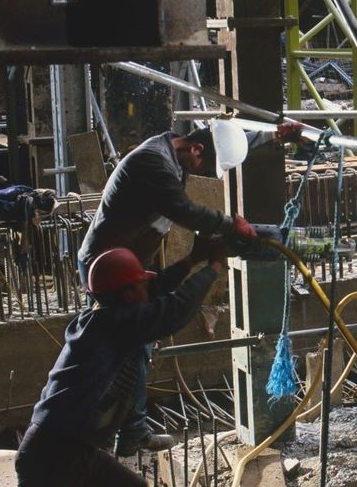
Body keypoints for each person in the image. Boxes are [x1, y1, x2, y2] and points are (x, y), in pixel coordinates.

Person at [76, 117, 304, 455]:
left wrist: (273, 135)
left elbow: (222, 139)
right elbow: (181, 210)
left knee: (138, 349)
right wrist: (230, 227)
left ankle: (129, 432)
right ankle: (110, 437)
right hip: (108, 267)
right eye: (201, 164)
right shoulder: (152, 161)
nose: (199, 170)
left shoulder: (174, 151)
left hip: (131, 259)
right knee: (130, 349)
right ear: (193, 148)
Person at [16, 238, 227, 486]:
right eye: (140, 284)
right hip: (57, 456)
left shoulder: (103, 316)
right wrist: (213, 268)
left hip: (65, 449)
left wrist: (192, 260)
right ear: (127, 294)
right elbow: (175, 311)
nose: (147, 290)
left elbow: (154, 288)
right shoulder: (117, 325)